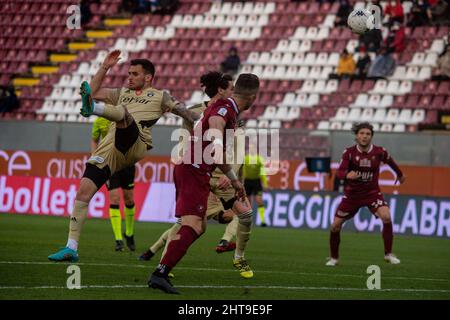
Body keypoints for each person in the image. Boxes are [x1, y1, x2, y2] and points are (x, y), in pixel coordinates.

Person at [48, 50, 197, 262]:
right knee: (83, 192)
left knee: (124, 115)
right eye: (129, 73)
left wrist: (202, 124)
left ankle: (94, 109)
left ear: (148, 77)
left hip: (136, 143)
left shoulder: (159, 95)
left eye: (134, 74)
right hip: (109, 150)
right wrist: (105, 67)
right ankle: (71, 247)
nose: (129, 77)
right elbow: (93, 90)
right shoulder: (122, 93)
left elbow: (184, 112)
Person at [148, 73, 260, 294]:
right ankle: (160, 273)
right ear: (253, 97)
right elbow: (216, 123)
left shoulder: (226, 106)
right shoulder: (225, 109)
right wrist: (217, 142)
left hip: (196, 171)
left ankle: (161, 270)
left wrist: (235, 181)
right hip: (193, 172)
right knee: (192, 225)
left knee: (199, 227)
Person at [139, 71, 242, 265]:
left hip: (217, 171)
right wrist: (182, 155)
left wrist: (232, 173)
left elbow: (236, 146)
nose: (234, 93)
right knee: (188, 222)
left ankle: (227, 245)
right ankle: (161, 260)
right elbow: (184, 136)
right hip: (196, 169)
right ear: (220, 89)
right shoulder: (197, 111)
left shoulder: (232, 113)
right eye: (231, 88)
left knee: (233, 214)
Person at [326, 122, 406, 267]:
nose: (364, 136)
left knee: (386, 217)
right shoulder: (349, 153)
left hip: (372, 193)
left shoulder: (379, 152)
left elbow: (391, 162)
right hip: (352, 196)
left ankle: (388, 254)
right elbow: (340, 172)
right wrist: (347, 175)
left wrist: (400, 175)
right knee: (335, 227)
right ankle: (334, 258)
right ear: (357, 136)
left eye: (368, 134)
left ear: (371, 137)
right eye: (362, 133)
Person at [91, 116, 137, 252]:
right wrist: (94, 155)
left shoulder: (124, 116)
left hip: (127, 162)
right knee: (114, 198)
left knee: (129, 199)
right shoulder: (99, 121)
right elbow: (94, 140)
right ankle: (118, 240)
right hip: (109, 163)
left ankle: (129, 233)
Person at [243, 143, 269, 227]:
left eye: (253, 148)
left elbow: (262, 172)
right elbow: (242, 171)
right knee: (249, 203)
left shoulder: (259, 159)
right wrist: (241, 182)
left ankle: (263, 221)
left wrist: (265, 184)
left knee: (259, 200)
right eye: (250, 148)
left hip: (256, 182)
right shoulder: (245, 159)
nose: (252, 150)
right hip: (247, 181)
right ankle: (249, 221)